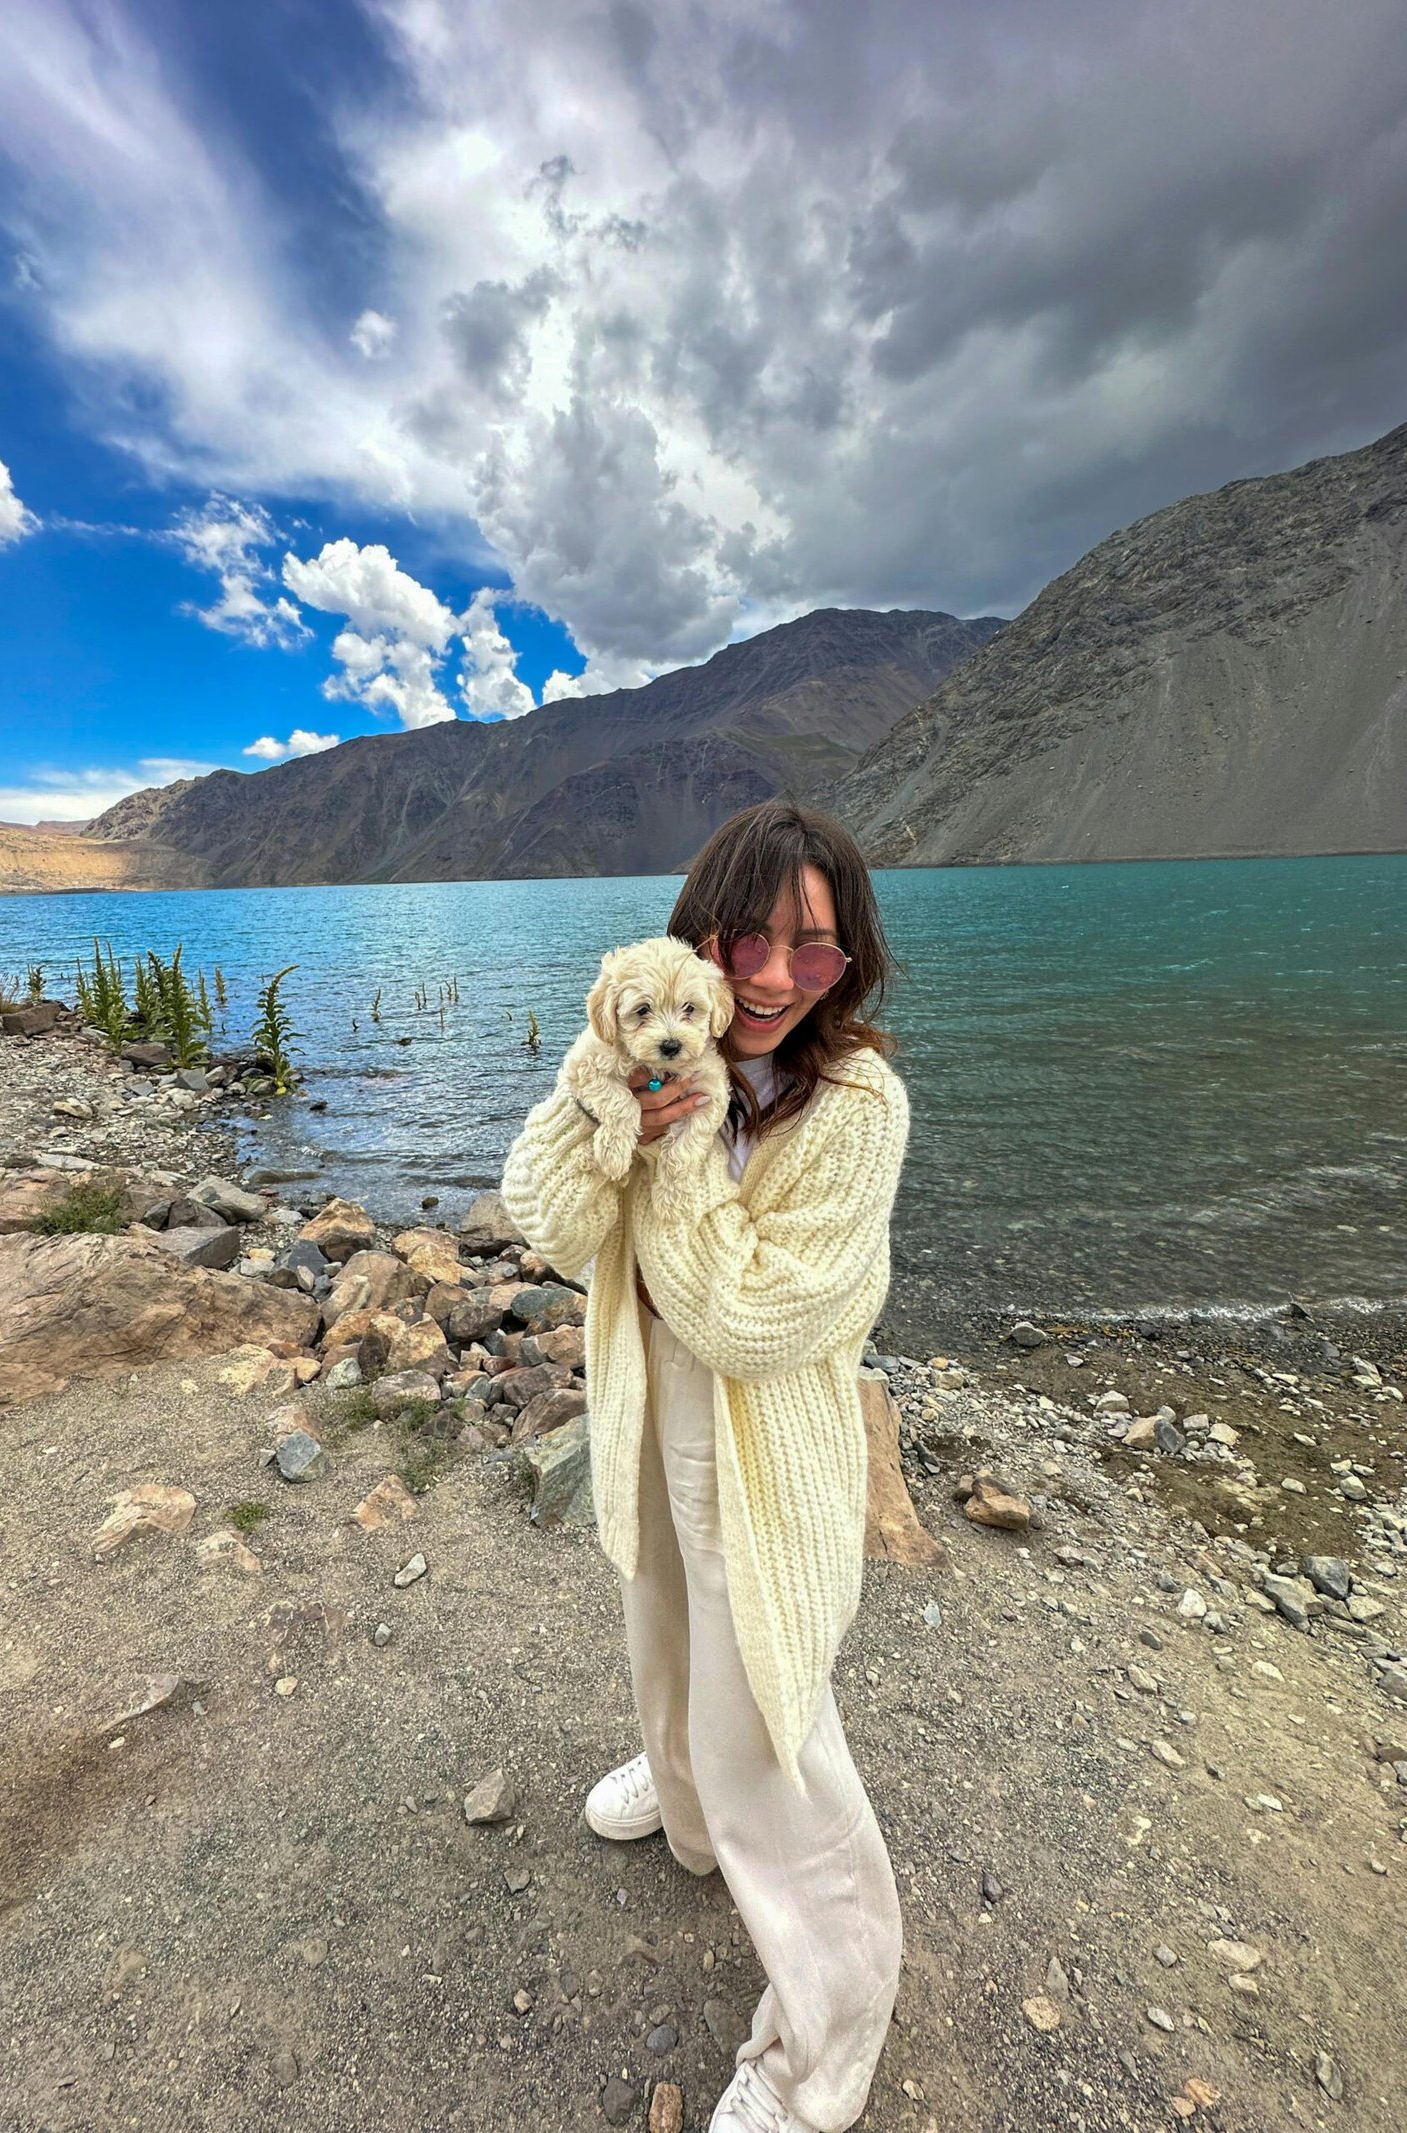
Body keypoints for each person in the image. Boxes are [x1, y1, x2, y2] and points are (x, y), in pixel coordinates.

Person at [500, 798, 911, 2133]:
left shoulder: (855, 1107)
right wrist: (597, 1102)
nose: (778, 975)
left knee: (771, 1721)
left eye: (818, 947)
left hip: (765, 1452)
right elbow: (548, 1220)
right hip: (650, 1414)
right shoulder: (646, 1054)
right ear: (696, 942)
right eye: (751, 938)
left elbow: (744, 1316)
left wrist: (675, 1150)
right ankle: (684, 1812)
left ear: (852, 965)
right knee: (664, 1636)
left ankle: (827, 2041)